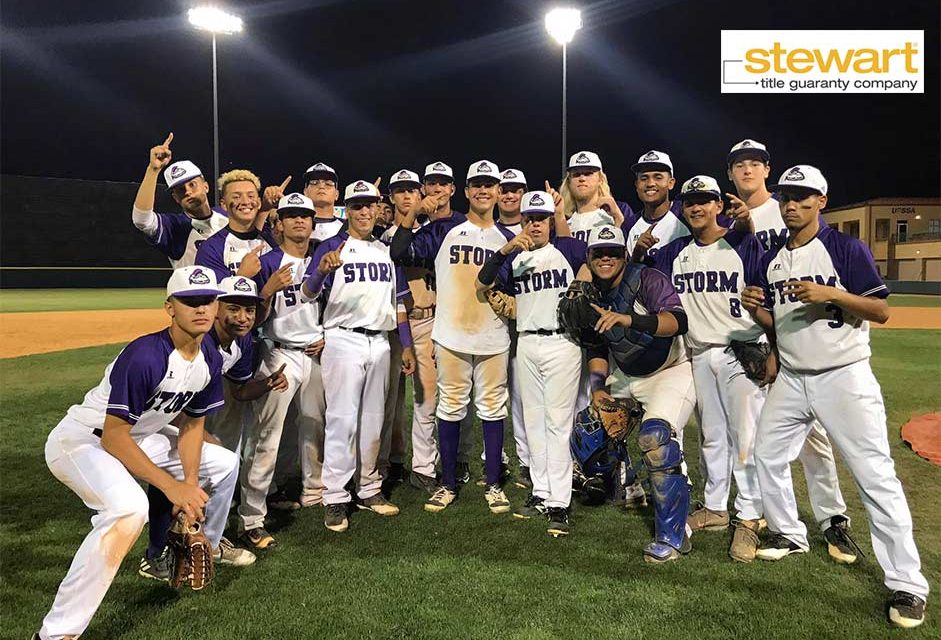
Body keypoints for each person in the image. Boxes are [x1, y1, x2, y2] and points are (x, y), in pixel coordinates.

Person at [744, 165, 929, 628]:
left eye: (803, 197)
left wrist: (830, 292)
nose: (792, 204)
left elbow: (881, 309)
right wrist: (761, 313)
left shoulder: (846, 249)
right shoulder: (774, 260)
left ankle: (907, 583)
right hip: (792, 377)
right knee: (766, 454)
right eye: (787, 196)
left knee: (874, 475)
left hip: (843, 376)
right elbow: (782, 326)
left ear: (820, 202)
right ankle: (789, 532)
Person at [35, 266, 236, 640]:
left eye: (207, 300)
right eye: (189, 302)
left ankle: (189, 534)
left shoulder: (209, 353)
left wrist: (189, 489)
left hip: (140, 437)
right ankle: (57, 633)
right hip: (82, 441)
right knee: (128, 509)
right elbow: (113, 437)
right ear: (169, 308)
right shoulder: (146, 355)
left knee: (224, 463)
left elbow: (193, 425)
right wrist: (171, 487)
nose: (201, 309)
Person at [724, 139, 853, 562]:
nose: (745, 170)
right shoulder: (730, 217)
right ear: (730, 174)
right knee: (763, 440)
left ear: (767, 171)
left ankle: (833, 521)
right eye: (738, 165)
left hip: (795, 339)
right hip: (760, 331)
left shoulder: (784, 209)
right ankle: (771, 520)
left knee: (813, 438)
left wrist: (777, 345)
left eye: (753, 164)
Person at [139, 275, 287, 580]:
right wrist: (202, 435)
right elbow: (172, 401)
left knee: (221, 461)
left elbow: (241, 391)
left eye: (249, 310)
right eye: (234, 308)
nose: (243, 317)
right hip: (143, 421)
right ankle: (157, 552)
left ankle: (208, 541)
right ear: (216, 308)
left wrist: (267, 384)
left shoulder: (241, 341)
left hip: (172, 417)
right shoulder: (200, 340)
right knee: (180, 471)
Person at [653, 175, 768, 562]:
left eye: (705, 200)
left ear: (719, 204)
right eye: (690, 201)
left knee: (746, 438)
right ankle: (717, 507)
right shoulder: (676, 252)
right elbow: (637, 268)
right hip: (701, 353)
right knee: (713, 436)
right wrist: (637, 250)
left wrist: (772, 348)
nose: (697, 207)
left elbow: (768, 287)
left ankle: (750, 517)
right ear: (682, 209)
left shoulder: (741, 243)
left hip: (741, 350)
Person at [391, 160, 515, 514]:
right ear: (466, 190)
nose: (483, 190)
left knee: (492, 408)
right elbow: (399, 253)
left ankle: (492, 483)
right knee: (450, 407)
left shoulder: (506, 238)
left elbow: (510, 287)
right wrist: (412, 213)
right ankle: (447, 484)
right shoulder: (446, 229)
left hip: (492, 335)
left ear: (497, 191)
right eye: (476, 183)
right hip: (449, 334)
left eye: (489, 184)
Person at [575, 225, 694, 562]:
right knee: (591, 427)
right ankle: (628, 487)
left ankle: (674, 535)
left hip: (671, 371)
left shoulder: (648, 279)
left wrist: (629, 320)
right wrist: (597, 388)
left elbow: (677, 321)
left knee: (656, 438)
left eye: (613, 252)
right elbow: (596, 346)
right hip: (628, 374)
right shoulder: (590, 295)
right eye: (599, 253)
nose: (606, 258)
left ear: (624, 255)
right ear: (590, 257)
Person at [303, 180, 416, 532]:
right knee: (341, 419)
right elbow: (307, 293)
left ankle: (369, 488)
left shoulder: (385, 251)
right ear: (347, 210)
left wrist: (407, 343)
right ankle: (335, 496)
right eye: (357, 206)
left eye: (370, 205)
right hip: (343, 339)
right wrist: (321, 271)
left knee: (372, 419)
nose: (365, 211)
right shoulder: (330, 246)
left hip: (380, 342)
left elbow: (399, 304)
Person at [477, 190, 585, 536]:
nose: (535, 224)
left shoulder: (569, 249)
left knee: (557, 423)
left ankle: (560, 503)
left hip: (562, 342)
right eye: (529, 219)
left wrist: (583, 280)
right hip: (525, 342)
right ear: (521, 221)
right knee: (534, 421)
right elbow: (483, 281)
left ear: (552, 220)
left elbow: (601, 262)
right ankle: (540, 492)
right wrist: (507, 249)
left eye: (541, 218)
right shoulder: (516, 258)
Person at [237, 193, 328, 549]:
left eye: (304, 215)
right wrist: (266, 291)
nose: (299, 221)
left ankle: (311, 492)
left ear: (312, 221)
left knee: (313, 428)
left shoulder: (323, 258)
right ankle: (251, 517)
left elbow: (333, 308)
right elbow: (250, 320)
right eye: (290, 216)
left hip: (316, 354)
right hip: (279, 354)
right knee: (266, 438)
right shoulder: (268, 261)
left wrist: (328, 338)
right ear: (280, 224)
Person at [131, 134, 229, 268]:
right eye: (180, 190)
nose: (187, 191)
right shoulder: (174, 227)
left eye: (192, 184)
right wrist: (153, 170)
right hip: (197, 289)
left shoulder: (227, 216)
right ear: (176, 198)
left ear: (206, 186)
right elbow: (141, 220)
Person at [496, 167, 530, 488]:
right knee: (493, 394)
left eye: (515, 189)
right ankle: (494, 458)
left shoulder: (534, 230)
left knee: (520, 395)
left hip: (525, 321)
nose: (508, 194)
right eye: (504, 189)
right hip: (493, 320)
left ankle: (524, 460)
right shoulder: (489, 231)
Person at [194, 169, 277, 281]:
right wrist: (242, 276)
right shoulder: (211, 248)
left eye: (251, 196)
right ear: (223, 204)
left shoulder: (273, 239)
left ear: (259, 202)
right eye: (236, 197)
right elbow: (212, 297)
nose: (245, 201)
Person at [623, 150, 688, 262]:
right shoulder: (629, 226)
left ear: (671, 183)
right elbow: (626, 276)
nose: (650, 184)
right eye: (644, 178)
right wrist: (637, 256)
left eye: (658, 177)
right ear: (636, 185)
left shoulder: (686, 214)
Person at [559, 151, 628, 243]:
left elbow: (629, 248)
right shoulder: (563, 220)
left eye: (588, 173)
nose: (582, 179)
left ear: (600, 179)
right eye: (576, 174)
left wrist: (618, 218)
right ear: (569, 182)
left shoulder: (620, 210)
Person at [304, 162, 346, 242]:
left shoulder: (349, 227)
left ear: (336, 194)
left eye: (328, 184)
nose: (321, 186)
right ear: (305, 192)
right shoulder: (295, 224)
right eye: (314, 183)